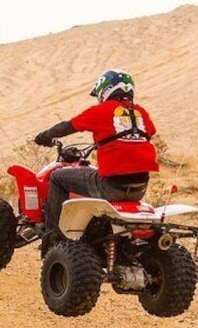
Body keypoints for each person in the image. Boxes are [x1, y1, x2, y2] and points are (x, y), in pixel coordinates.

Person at [34, 69, 159, 252]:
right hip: (139, 187)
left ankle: (53, 239)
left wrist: (43, 136)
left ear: (106, 90)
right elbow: (148, 133)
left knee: (58, 177)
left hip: (111, 186)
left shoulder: (102, 111)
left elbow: (67, 126)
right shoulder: (142, 114)